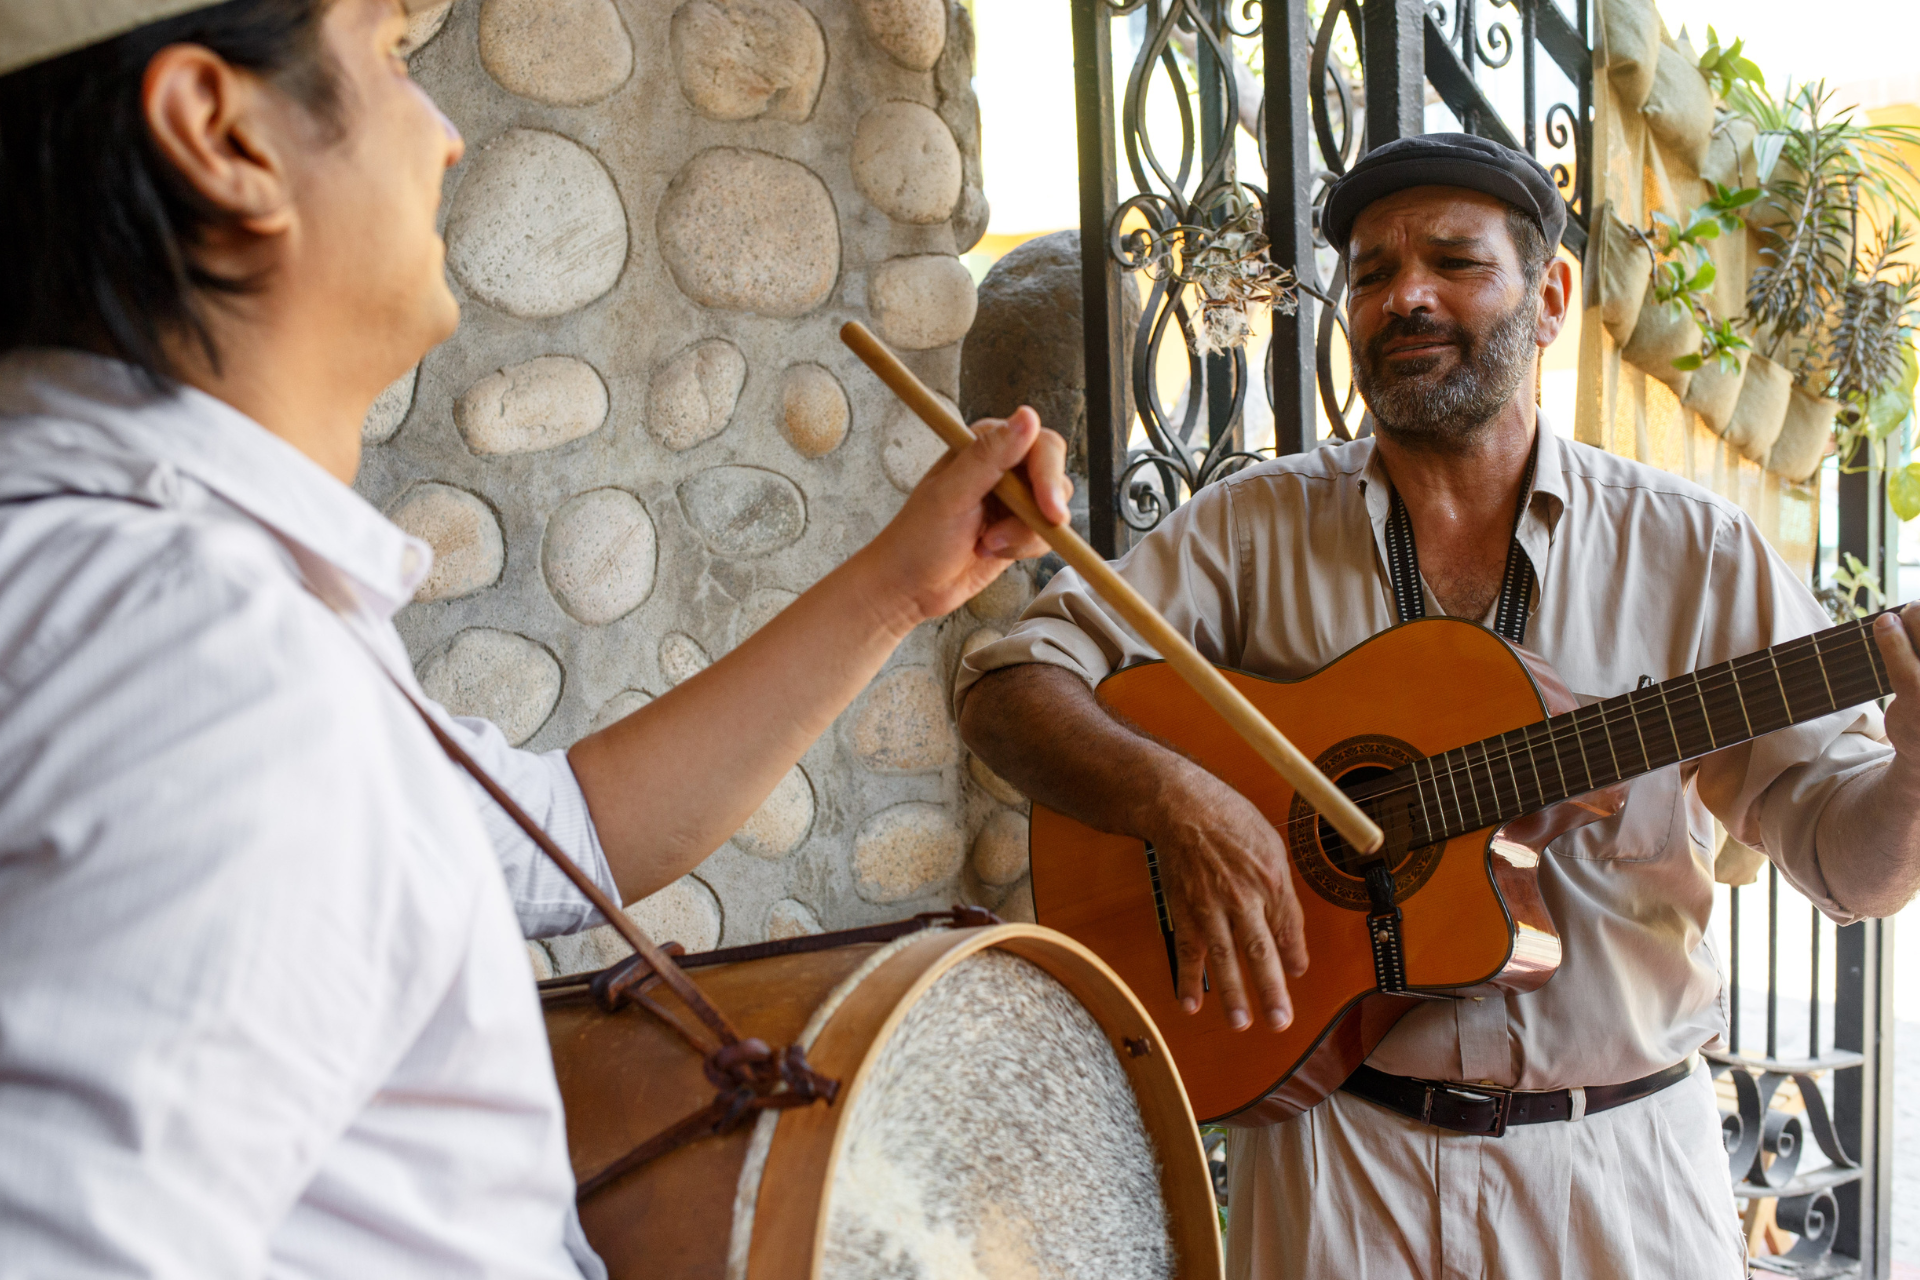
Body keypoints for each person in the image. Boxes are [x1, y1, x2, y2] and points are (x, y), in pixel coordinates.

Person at [0, 1, 1070, 1275]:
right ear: (217, 132)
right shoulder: (203, 655)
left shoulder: (151, 592)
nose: (445, 133)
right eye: (389, 57)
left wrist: (903, 582)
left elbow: (569, 829)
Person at [959, 132, 1920, 1278]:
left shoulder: (1694, 549)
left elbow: (1854, 869)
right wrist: (1178, 800)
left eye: (1455, 261)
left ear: (1551, 296)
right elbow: (1007, 685)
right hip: (1333, 1160)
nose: (1404, 294)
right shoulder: (1251, 528)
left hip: (1616, 1175)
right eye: (1371, 273)